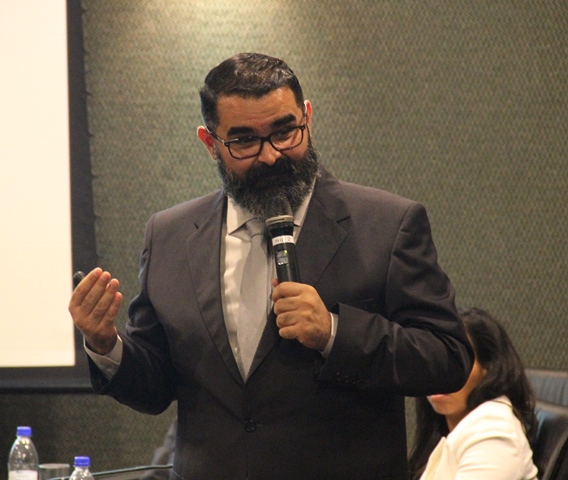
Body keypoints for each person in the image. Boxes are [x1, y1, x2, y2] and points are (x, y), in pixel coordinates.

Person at [69, 52, 474, 480]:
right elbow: (155, 387)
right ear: (210, 143)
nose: (270, 156)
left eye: (284, 132)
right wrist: (106, 344)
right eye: (245, 141)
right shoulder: (169, 235)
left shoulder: (387, 225)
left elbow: (448, 358)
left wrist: (334, 332)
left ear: (308, 118)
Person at [408, 307, 538, 480]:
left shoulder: (493, 431)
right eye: (432, 362)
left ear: (489, 368)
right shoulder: (445, 432)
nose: (439, 375)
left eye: (453, 363)